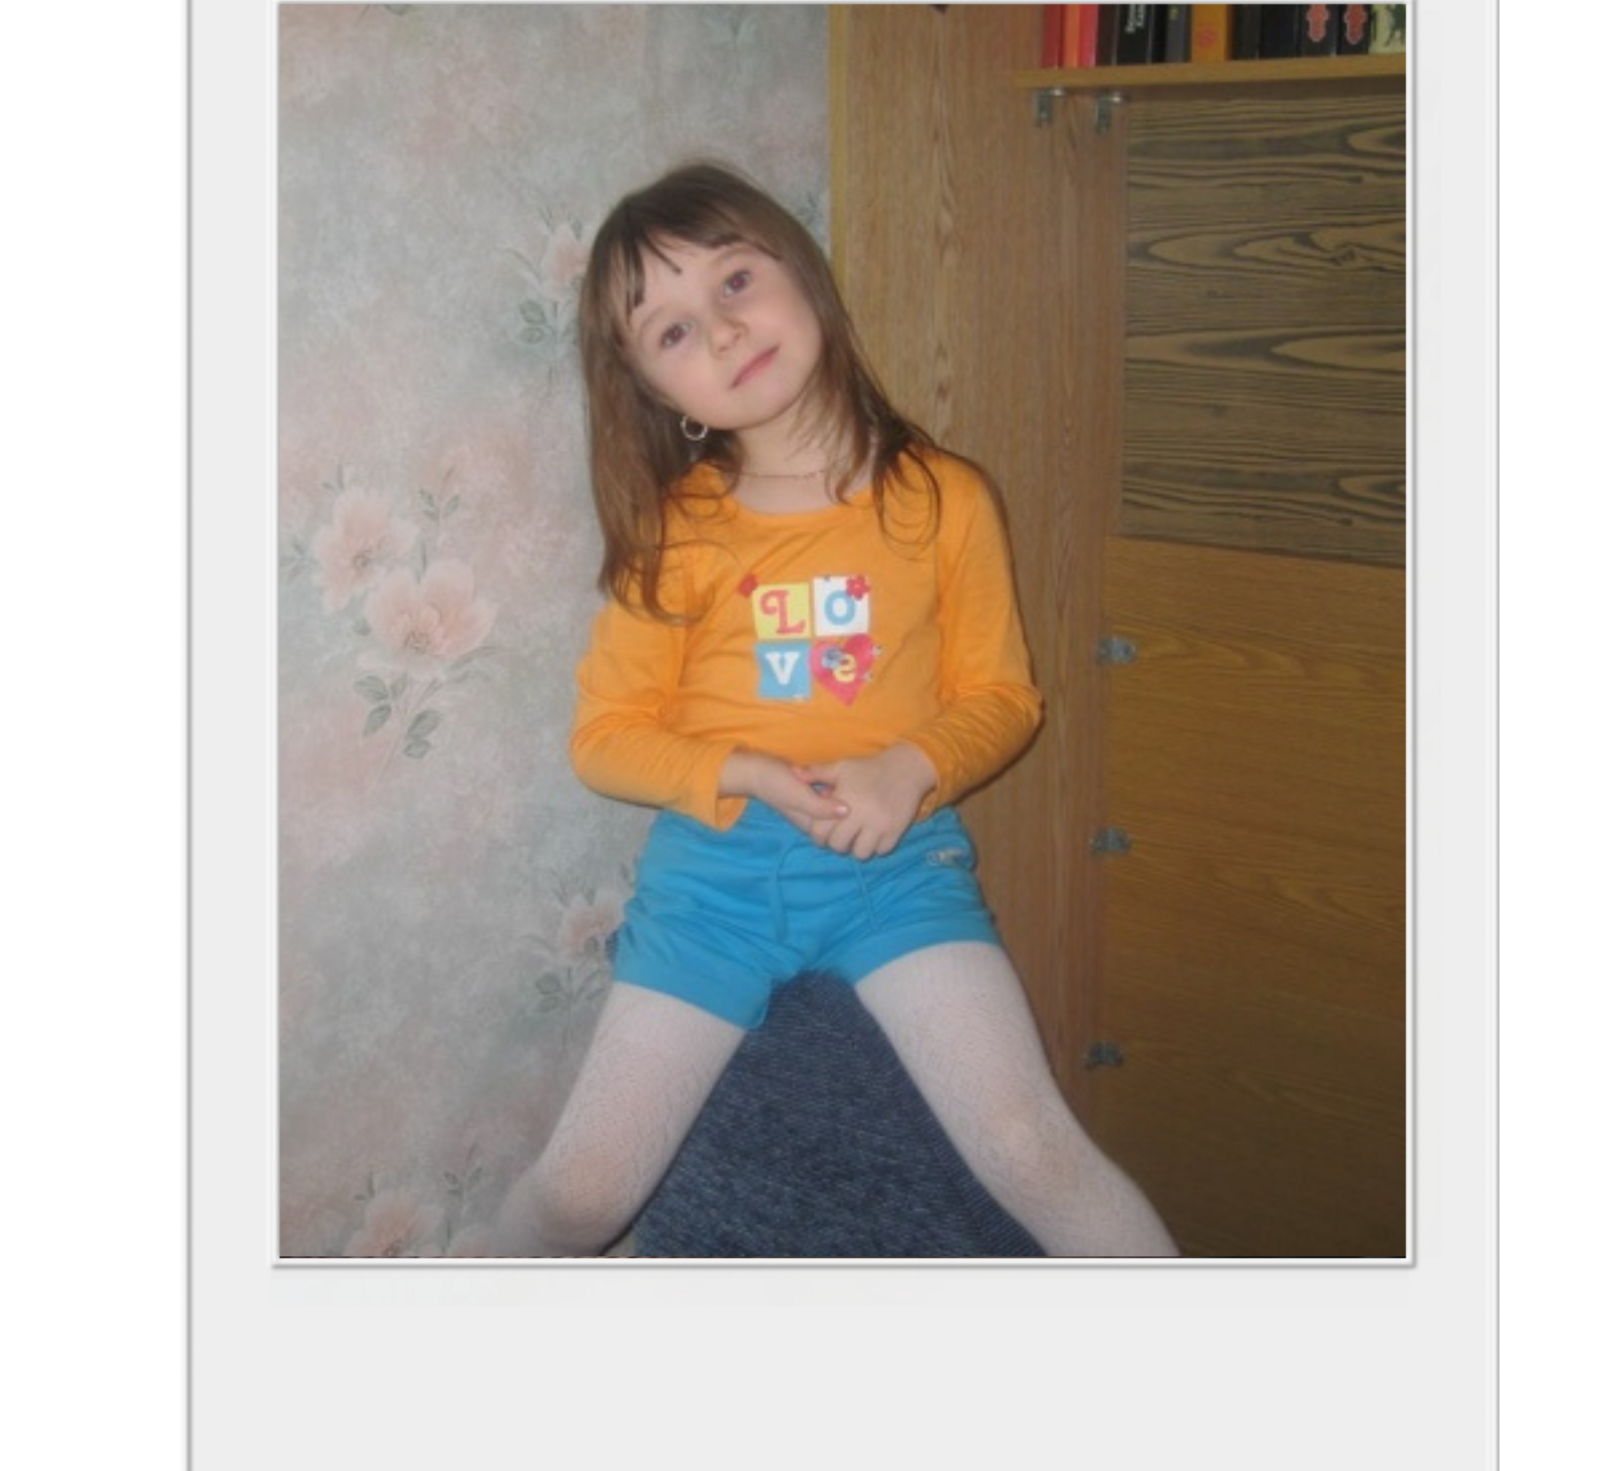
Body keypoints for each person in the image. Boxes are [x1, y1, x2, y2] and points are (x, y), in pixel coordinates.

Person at [492, 162, 1176, 1258]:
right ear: (661, 395)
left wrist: (911, 767)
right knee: (581, 1195)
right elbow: (605, 738)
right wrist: (748, 772)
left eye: (734, 280)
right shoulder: (675, 531)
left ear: (803, 274)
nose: (721, 330)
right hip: (712, 891)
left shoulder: (948, 498)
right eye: (672, 332)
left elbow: (1003, 697)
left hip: (898, 876)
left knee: (1036, 1154)